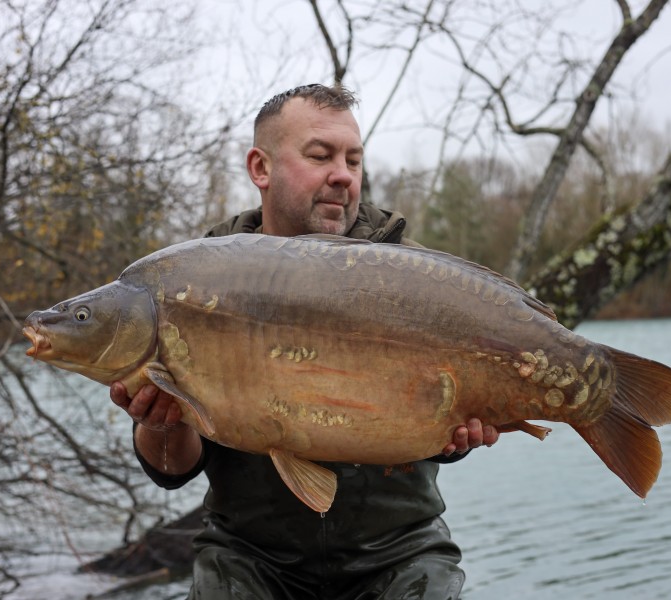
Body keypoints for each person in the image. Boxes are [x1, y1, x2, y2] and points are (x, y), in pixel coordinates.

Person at [110, 84, 499, 599]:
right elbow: (172, 470)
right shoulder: (193, 285)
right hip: (248, 559)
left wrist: (459, 435)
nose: (343, 174)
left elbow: (444, 431)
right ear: (260, 168)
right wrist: (157, 422)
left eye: (354, 160)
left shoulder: (412, 278)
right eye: (321, 156)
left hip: (400, 552)